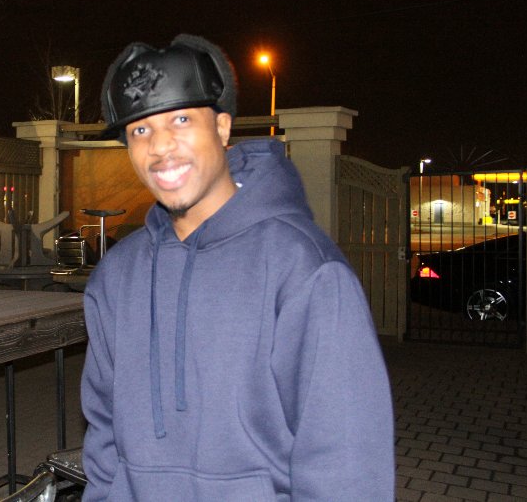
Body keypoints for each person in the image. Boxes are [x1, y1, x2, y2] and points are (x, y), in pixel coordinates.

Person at [80, 34, 395, 501]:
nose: (160, 146)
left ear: (223, 128)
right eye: (140, 130)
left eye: (181, 119)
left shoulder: (304, 269)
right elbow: (103, 434)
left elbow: (346, 461)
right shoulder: (116, 277)